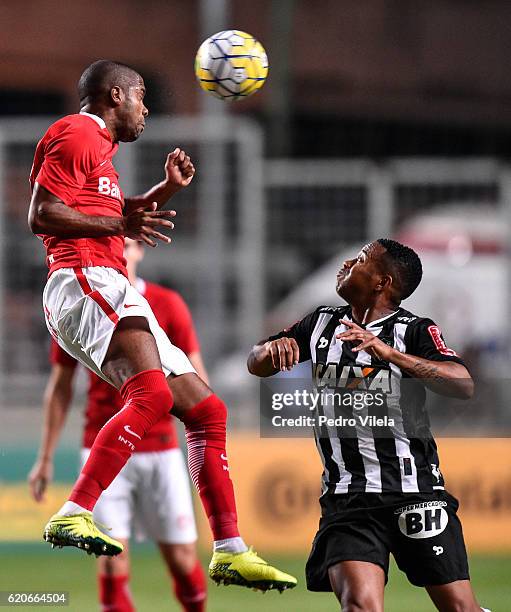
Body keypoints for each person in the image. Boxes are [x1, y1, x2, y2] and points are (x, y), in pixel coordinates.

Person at [28, 59, 296, 592]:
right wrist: (115, 222)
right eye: (142, 97)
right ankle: (73, 510)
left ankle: (229, 549)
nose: (147, 109)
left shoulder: (100, 150)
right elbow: (42, 214)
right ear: (117, 94)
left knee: (207, 410)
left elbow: (118, 218)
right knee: (150, 396)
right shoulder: (80, 131)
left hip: (105, 279)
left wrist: (164, 191)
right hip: (82, 278)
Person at [247, 239, 491, 611]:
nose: (348, 263)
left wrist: (388, 353)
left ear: (382, 282)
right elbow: (256, 360)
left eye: (361, 259)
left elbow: (462, 383)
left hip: (414, 492)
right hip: (349, 498)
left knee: (459, 608)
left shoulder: (414, 331)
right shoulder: (321, 322)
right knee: (360, 606)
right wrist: (269, 352)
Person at [29, 238, 209, 612]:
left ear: (141, 249)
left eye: (129, 244)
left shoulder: (167, 304)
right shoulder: (78, 302)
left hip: (160, 448)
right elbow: (61, 388)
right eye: (116, 243)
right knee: (112, 562)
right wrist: (44, 457)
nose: (122, 251)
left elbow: (196, 377)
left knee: (182, 561)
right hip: (103, 447)